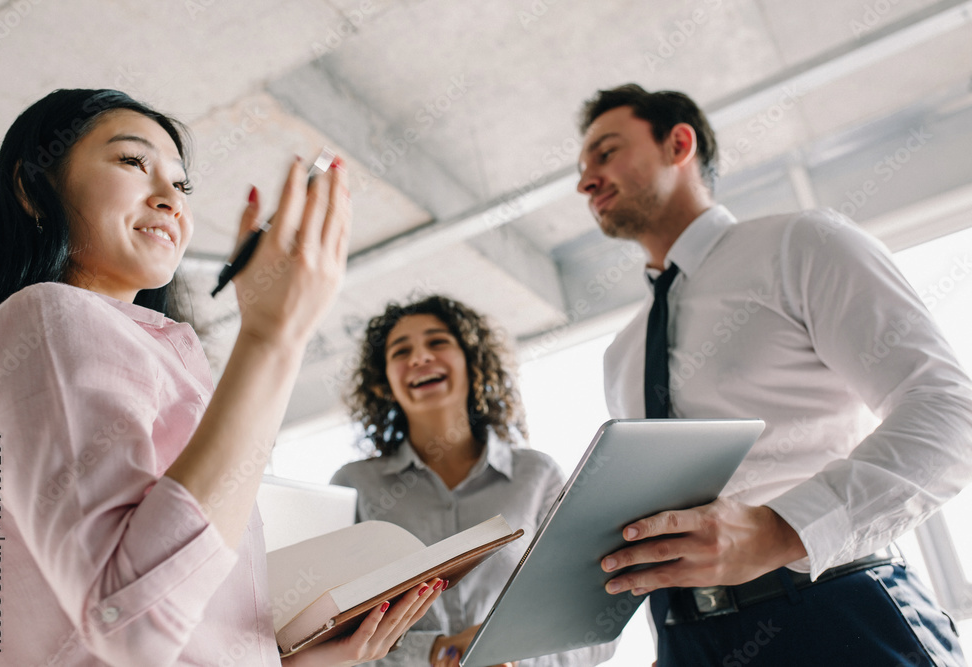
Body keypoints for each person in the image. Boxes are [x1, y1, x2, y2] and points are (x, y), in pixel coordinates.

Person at [0, 88, 443, 667]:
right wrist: (273, 339)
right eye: (132, 161)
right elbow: (131, 626)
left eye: (182, 183)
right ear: (32, 188)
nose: (171, 198)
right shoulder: (44, 316)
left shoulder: (145, 355)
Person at [574, 83, 972, 665]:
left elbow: (948, 412)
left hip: (836, 610)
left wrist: (781, 529)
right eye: (582, 169)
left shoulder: (802, 245)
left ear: (678, 143)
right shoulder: (622, 353)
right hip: (686, 642)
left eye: (606, 153)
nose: (586, 181)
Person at [331, 295, 618, 667]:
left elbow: (593, 627)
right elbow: (327, 637)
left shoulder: (538, 475)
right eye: (401, 351)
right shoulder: (353, 484)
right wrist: (440, 654)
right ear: (383, 382)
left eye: (438, 342)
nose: (420, 358)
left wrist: (508, 657)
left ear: (472, 361)